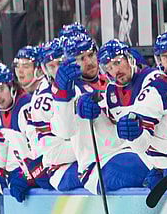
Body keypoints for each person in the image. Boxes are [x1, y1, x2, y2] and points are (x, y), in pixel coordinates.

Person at [99, 35, 167, 189]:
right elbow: (139, 138)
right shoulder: (110, 92)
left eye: (117, 62)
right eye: (109, 67)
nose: (115, 70)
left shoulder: (153, 81)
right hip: (165, 159)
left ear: (129, 59)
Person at [51, 32, 152, 193]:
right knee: (145, 172)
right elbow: (64, 130)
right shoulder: (69, 89)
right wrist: (67, 99)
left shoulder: (112, 78)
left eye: (91, 55)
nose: (89, 62)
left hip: (127, 152)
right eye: (81, 58)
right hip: (96, 166)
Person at [27, 38, 83, 191]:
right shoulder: (43, 99)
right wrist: (92, 147)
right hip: (58, 169)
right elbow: (52, 154)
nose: (58, 70)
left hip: (79, 160)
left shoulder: (75, 83)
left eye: (60, 63)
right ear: (44, 70)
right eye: (52, 66)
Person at [0, 64, 38, 203]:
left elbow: (40, 149)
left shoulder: (27, 107)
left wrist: (28, 175)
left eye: (0, 89)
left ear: (11, 87)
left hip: (38, 173)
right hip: (21, 172)